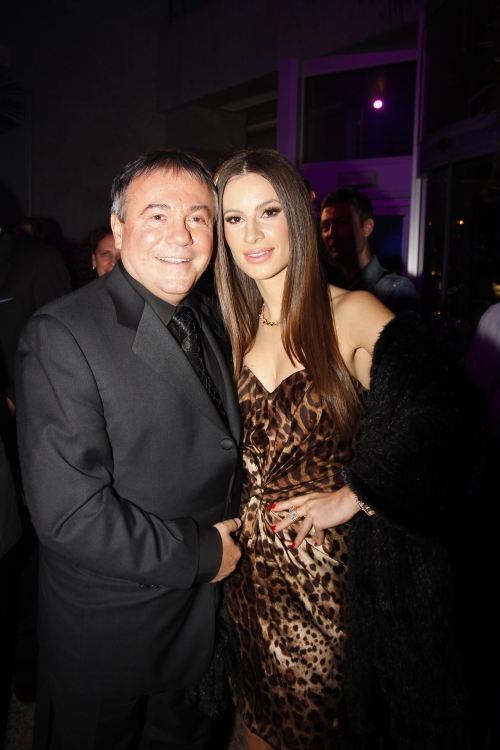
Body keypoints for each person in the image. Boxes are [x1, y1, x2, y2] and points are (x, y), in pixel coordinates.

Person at [214, 148, 482, 750]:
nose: (251, 234)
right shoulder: (231, 327)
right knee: (255, 727)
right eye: (234, 218)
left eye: (269, 212)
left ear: (299, 217)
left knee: (319, 734)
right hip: (248, 575)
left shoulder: (351, 312)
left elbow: (452, 408)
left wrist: (358, 492)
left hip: (325, 583)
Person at [16, 150, 242, 750]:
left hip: (196, 626)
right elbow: (69, 514)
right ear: (118, 228)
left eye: (198, 218)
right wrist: (201, 553)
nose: (181, 236)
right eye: (157, 215)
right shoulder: (62, 333)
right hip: (109, 634)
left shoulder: (207, 320)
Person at [0, 224, 71, 705]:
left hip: (24, 430)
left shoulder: (35, 262)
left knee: (25, 554)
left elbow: (59, 349)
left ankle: (28, 667)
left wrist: (16, 397)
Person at [320, 188, 419, 315]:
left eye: (342, 223)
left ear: (367, 227)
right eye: (325, 226)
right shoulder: (329, 288)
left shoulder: (396, 290)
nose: (331, 233)